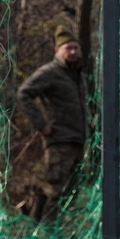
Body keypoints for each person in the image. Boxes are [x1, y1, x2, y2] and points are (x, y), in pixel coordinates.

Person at [16, 26, 88, 222]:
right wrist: (41, 124)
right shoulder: (50, 72)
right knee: (56, 190)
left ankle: (60, 228)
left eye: (75, 48)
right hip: (59, 140)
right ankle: (46, 230)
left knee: (72, 190)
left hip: (78, 139)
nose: (72, 52)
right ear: (57, 50)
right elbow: (24, 94)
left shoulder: (77, 75)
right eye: (68, 48)